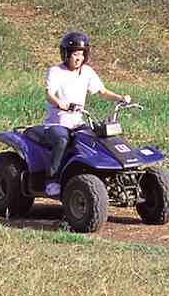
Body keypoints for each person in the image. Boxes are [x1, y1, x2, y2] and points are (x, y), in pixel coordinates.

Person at [41, 30, 131, 197]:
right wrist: (59, 103)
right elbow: (49, 94)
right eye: (75, 54)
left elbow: (102, 91)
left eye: (82, 54)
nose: (79, 58)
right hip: (56, 124)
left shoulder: (87, 72)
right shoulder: (55, 71)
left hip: (78, 123)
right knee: (62, 140)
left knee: (100, 138)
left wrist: (120, 98)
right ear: (66, 54)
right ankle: (51, 180)